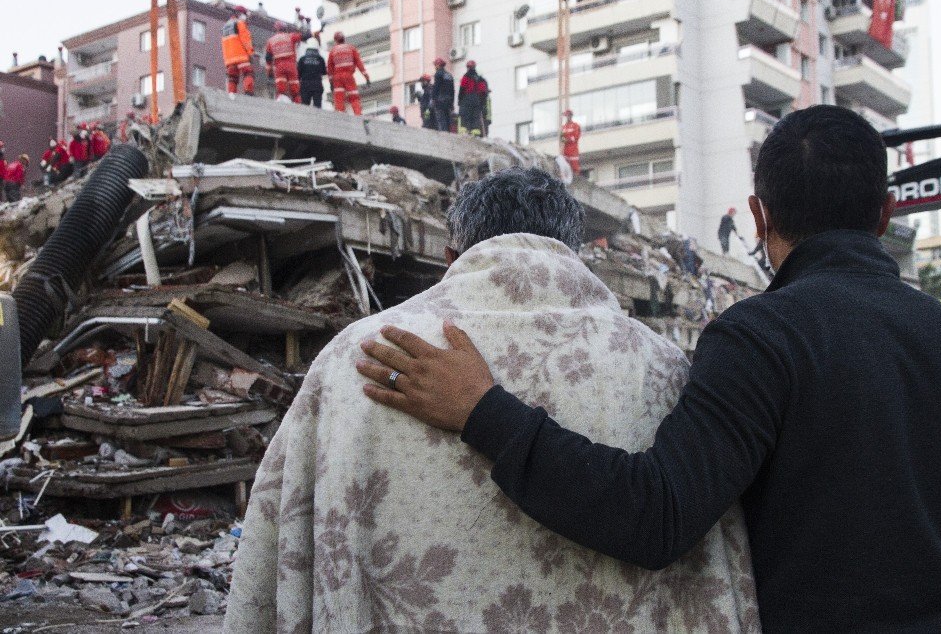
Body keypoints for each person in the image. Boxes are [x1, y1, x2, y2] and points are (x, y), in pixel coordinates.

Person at [357, 105, 941, 632]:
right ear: (886, 212)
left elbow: (655, 514)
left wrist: (483, 411)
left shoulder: (765, 340)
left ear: (759, 215)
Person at [225, 167, 759, 633]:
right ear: (572, 253)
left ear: (451, 256)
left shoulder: (358, 358)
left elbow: (275, 549)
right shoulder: (661, 365)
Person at [266, 21, 314, 104]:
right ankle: (298, 106)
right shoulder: (290, 36)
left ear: (276, 29)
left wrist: (269, 72)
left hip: (278, 67)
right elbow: (305, 36)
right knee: (295, 89)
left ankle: (280, 107)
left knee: (281, 90)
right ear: (285, 29)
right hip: (291, 65)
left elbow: (268, 58)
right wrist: (309, 30)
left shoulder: (271, 41)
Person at [327, 31, 369, 115]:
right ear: (344, 39)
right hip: (349, 76)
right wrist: (367, 78)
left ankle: (340, 114)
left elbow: (329, 68)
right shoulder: (351, 48)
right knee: (354, 97)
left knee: (339, 97)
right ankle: (358, 114)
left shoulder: (333, 51)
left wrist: (331, 82)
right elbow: (359, 64)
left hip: (337, 78)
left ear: (335, 40)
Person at [221, 5, 255, 96]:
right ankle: (248, 92)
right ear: (240, 14)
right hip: (241, 56)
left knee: (232, 78)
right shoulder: (240, 23)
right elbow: (246, 40)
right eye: (244, 15)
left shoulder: (225, 26)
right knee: (248, 73)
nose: (246, 17)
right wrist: (250, 54)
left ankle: (231, 95)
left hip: (229, 59)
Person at [297, 38, 326, 108]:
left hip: (305, 85)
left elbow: (298, 74)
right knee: (317, 107)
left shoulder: (302, 59)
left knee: (305, 107)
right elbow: (324, 72)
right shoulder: (320, 59)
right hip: (317, 85)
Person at [458, 60, 484, 137]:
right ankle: (475, 132)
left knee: (465, 114)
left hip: (467, 97)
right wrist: (481, 102)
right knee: (475, 115)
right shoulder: (479, 78)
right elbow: (482, 91)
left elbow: (462, 88)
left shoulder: (466, 76)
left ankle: (465, 130)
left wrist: (459, 100)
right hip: (476, 99)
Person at [431, 57, 454, 132]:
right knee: (448, 119)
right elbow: (452, 90)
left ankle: (443, 134)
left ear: (438, 65)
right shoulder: (449, 75)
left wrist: (433, 98)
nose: (435, 67)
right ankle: (448, 133)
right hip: (448, 100)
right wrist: (452, 102)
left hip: (440, 100)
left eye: (435, 65)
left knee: (441, 119)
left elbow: (436, 87)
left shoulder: (438, 74)